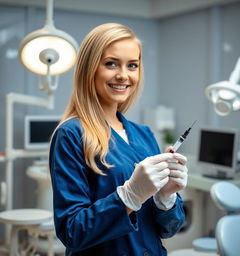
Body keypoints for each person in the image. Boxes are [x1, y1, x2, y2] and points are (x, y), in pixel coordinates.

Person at [49, 23, 188, 256]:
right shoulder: (71, 134)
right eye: (111, 63)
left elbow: (167, 230)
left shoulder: (144, 134)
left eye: (132, 65)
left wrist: (166, 198)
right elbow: (71, 232)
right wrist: (129, 196)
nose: (123, 75)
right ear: (89, 68)